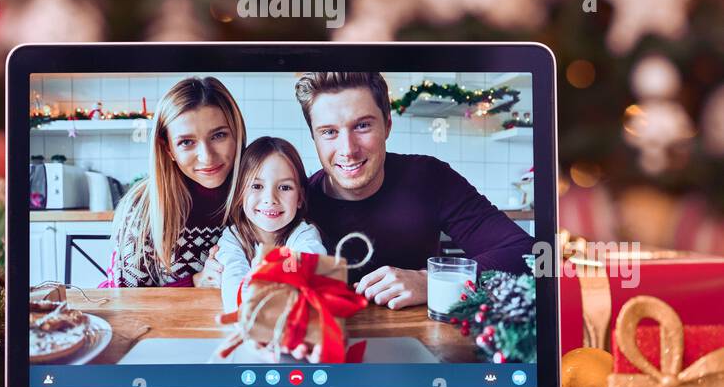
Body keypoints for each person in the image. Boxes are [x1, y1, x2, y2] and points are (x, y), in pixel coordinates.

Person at [295, 70, 531, 310]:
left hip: (429, 342)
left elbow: (528, 253)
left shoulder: (429, 177)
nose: (348, 149)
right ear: (314, 137)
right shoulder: (297, 201)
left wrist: (433, 281)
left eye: (363, 126)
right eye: (329, 132)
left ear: (387, 125)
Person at [105, 75, 245, 287]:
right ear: (168, 148)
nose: (207, 156)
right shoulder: (142, 209)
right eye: (187, 142)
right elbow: (126, 303)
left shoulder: (257, 196)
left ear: (237, 133)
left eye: (218, 136)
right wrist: (196, 283)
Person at [218, 136, 325, 312]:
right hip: (249, 327)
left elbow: (309, 270)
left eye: (284, 187)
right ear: (240, 193)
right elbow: (233, 282)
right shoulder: (232, 238)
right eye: (257, 186)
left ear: (300, 197)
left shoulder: (304, 234)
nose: (270, 199)